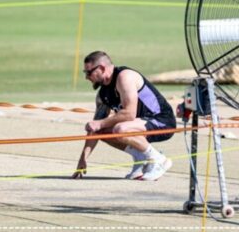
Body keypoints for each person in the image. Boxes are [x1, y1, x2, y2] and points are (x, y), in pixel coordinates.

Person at [72, 51, 176, 181]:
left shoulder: (124, 77)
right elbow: (95, 129)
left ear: (102, 68)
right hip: (138, 126)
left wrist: (100, 123)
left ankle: (159, 160)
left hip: (162, 121)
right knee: (102, 131)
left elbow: (129, 114)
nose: (87, 77)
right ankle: (141, 159)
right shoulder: (102, 94)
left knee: (120, 129)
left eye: (89, 72)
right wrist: (83, 159)